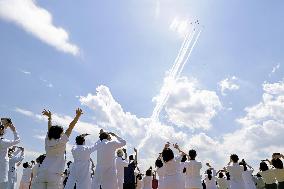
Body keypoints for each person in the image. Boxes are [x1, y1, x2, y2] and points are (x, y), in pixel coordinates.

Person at [33, 108, 83, 189]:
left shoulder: (47, 140)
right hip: (55, 174)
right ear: (60, 133)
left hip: (42, 172)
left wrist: (49, 118)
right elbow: (70, 127)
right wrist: (77, 116)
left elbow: (49, 129)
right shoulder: (62, 140)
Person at [0, 118, 20, 189]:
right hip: (2, 174)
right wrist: (14, 130)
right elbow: (17, 140)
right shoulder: (3, 142)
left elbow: (2, 132)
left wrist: (5, 125)